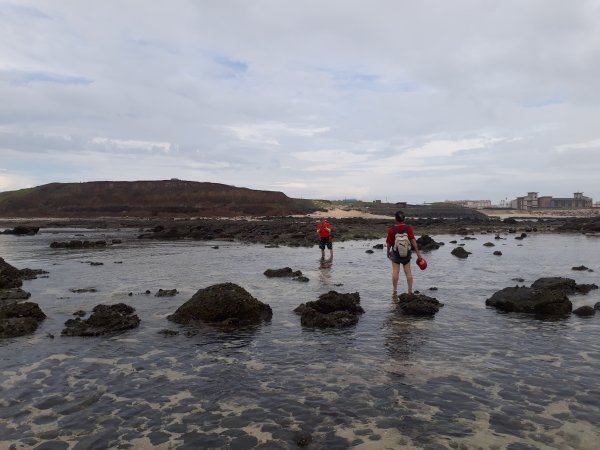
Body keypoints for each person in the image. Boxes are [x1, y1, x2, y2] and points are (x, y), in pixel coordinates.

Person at [386, 210, 422, 295]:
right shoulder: (408, 228)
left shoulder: (392, 229)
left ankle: (395, 291)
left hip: (396, 253)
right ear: (404, 219)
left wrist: (388, 252)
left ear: (395, 218)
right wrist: (418, 254)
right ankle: (410, 291)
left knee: (395, 272)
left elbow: (389, 243)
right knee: (408, 272)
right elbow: (413, 241)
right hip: (406, 253)